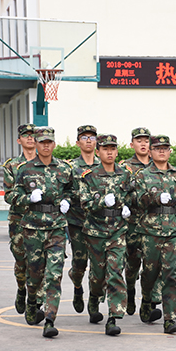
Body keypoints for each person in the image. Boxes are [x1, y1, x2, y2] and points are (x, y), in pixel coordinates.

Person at [7, 127, 73, 337]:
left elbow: (72, 191)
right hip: (33, 228)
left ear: (54, 144)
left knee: (54, 275)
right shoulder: (24, 170)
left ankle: (50, 319)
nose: (46, 146)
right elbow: (12, 196)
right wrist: (28, 198)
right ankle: (31, 300)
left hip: (56, 227)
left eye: (49, 142)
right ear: (36, 144)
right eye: (42, 142)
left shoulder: (64, 169)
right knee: (34, 274)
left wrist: (67, 201)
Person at [77, 134, 132, 336]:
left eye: (112, 148)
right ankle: (94, 296)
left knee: (115, 271)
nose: (109, 152)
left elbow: (133, 195)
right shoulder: (89, 176)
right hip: (96, 231)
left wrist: (128, 207)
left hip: (118, 231)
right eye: (105, 149)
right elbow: (84, 203)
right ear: (98, 152)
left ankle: (113, 317)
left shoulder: (126, 174)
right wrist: (101, 202)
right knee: (98, 275)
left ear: (117, 151)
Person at [133, 134, 176, 334]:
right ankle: (147, 299)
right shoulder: (142, 175)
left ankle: (171, 318)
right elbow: (137, 200)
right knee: (150, 272)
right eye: (157, 148)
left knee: (172, 273)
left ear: (170, 151)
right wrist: (155, 197)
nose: (162, 151)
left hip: (173, 230)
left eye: (165, 148)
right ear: (150, 152)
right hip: (150, 230)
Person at [66, 125, 101, 317]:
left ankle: (94, 302)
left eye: (92, 137)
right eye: (84, 137)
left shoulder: (104, 165)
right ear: (77, 142)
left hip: (100, 223)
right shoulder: (70, 167)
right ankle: (77, 285)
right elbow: (64, 190)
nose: (88, 140)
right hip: (77, 222)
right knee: (80, 263)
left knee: (98, 266)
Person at [119, 127, 152, 316]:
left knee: (152, 266)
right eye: (139, 141)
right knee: (132, 265)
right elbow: (121, 191)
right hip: (133, 223)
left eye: (146, 141)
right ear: (132, 144)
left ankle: (148, 303)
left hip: (154, 224)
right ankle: (130, 290)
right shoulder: (125, 167)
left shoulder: (158, 164)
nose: (143, 144)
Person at [3, 123, 36, 314]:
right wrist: (28, 199)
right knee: (21, 260)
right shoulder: (12, 166)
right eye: (26, 135)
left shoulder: (45, 164)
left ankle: (35, 301)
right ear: (19, 140)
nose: (30, 138)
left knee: (38, 263)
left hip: (41, 220)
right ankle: (21, 288)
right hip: (19, 220)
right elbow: (8, 195)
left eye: (33, 135)